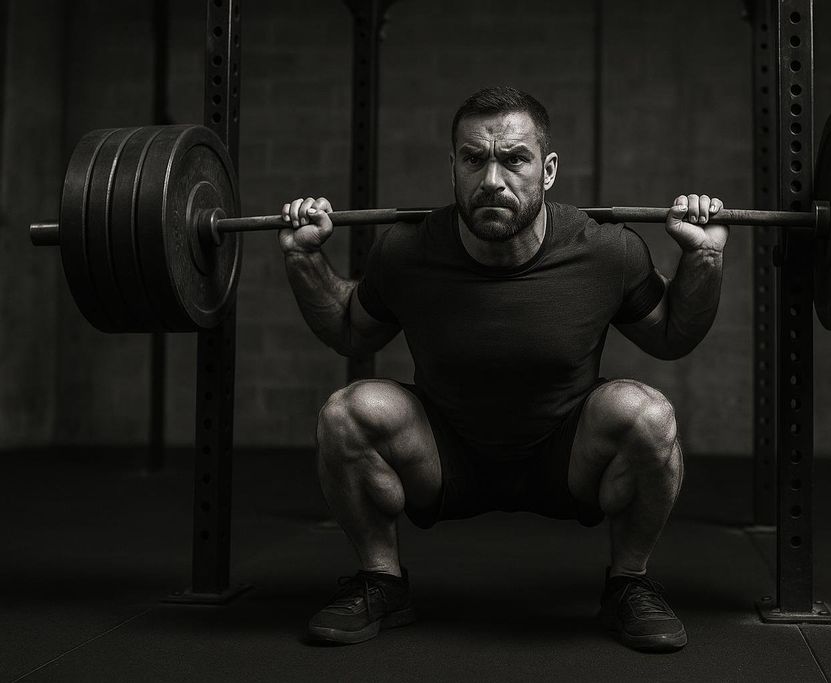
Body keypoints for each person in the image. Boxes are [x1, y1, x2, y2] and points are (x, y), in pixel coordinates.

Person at [279, 86, 727, 653]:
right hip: (444, 454)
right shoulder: (406, 252)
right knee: (347, 414)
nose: (493, 180)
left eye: (514, 158)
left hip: (567, 457)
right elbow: (348, 328)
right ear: (454, 167)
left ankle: (628, 585)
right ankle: (382, 583)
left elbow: (672, 335)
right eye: (474, 159)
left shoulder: (606, 251)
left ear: (548, 170)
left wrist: (703, 258)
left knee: (648, 414)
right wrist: (303, 258)